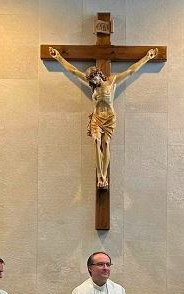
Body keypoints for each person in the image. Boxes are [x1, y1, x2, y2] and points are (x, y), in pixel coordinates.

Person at [48, 47, 157, 188]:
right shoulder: (92, 86)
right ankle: (100, 176)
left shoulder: (112, 81)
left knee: (105, 144)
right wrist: (58, 58)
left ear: (99, 74)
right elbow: (73, 71)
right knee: (96, 142)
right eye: (91, 79)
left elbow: (131, 70)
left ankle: (105, 175)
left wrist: (147, 57)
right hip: (97, 117)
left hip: (110, 118)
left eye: (94, 77)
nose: (93, 80)